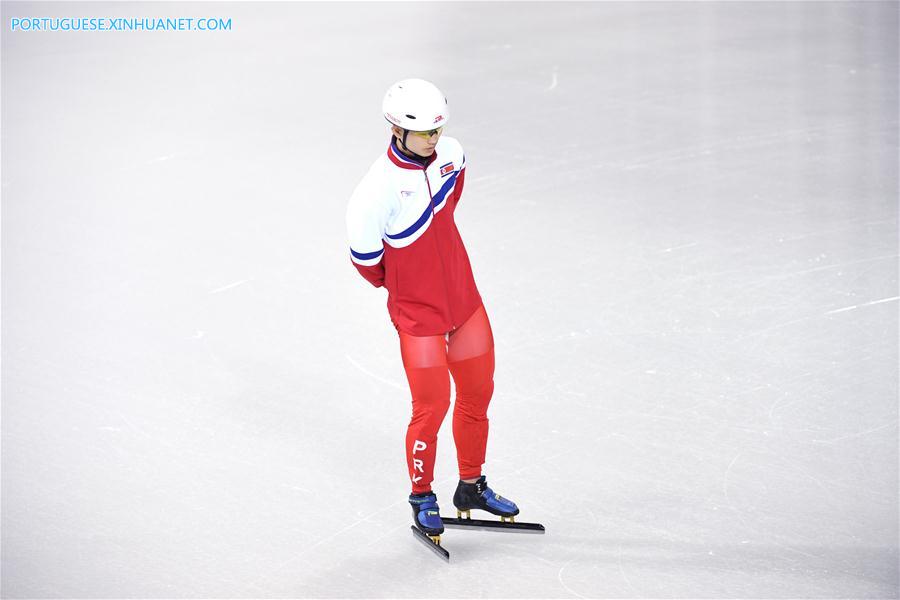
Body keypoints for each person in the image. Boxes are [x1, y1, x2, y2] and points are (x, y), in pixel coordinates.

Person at [346, 79, 519, 541]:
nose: (434, 140)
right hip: (419, 318)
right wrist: (408, 287)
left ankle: (471, 486)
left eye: (438, 131)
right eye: (424, 133)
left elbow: (451, 201)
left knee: (478, 394)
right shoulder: (374, 192)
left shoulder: (452, 155)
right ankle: (422, 495)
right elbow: (367, 263)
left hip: (464, 302)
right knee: (431, 407)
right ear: (396, 129)